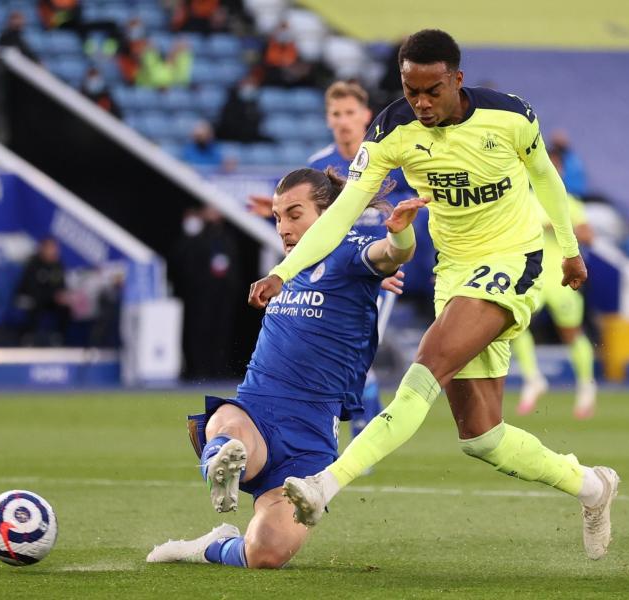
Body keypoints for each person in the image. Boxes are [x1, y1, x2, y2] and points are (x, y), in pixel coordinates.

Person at [249, 29, 619, 560]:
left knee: (426, 366)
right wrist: (284, 271)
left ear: (456, 80)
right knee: (481, 437)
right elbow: (344, 213)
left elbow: (546, 179)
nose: (420, 102)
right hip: (456, 272)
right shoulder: (392, 130)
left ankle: (324, 484)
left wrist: (568, 248)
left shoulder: (511, 117)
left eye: (432, 90)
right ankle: (592, 487)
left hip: (512, 261)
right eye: (410, 89)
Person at [146, 168, 423, 568]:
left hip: (310, 439)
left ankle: (207, 545)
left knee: (267, 554)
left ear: (329, 215)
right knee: (229, 429)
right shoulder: (288, 267)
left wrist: (400, 233)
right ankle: (220, 460)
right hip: (257, 411)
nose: (283, 227)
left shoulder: (349, 252)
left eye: (295, 214)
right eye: (278, 217)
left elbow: (393, 254)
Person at [249, 81, 418, 442]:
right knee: (333, 358)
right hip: (333, 270)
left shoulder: (389, 160)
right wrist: (276, 213)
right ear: (328, 119)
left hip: (373, 264)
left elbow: (414, 205)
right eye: (336, 114)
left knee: (358, 360)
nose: (343, 121)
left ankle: (360, 435)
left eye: (350, 113)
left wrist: (379, 262)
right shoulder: (318, 164)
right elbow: (311, 226)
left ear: (365, 116)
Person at [514, 191, 597, 418]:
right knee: (514, 326)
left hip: (561, 279)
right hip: (530, 277)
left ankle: (586, 386)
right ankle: (533, 379)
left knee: (570, 333)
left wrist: (558, 227)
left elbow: (589, 236)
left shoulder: (568, 202)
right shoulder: (522, 197)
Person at [168, 206, 241, 380]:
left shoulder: (227, 238)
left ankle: (218, 368)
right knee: (199, 332)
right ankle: (199, 369)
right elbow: (183, 262)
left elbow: (234, 267)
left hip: (223, 295)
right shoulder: (196, 238)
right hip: (200, 296)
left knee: (221, 332)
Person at [15, 238, 69, 346]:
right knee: (34, 305)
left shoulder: (57, 264)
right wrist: (51, 296)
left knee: (65, 307)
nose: (52, 251)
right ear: (42, 248)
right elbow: (30, 287)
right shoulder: (33, 264)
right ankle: (28, 337)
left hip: (50, 299)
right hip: (31, 297)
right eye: (49, 248)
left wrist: (60, 296)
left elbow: (61, 286)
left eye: (54, 248)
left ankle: (58, 337)